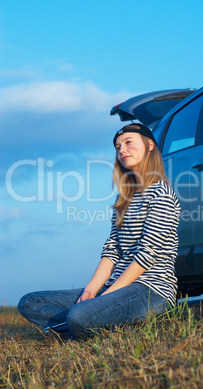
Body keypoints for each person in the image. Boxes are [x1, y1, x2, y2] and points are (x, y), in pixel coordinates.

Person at [18, 123, 181, 340]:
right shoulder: (124, 198)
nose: (121, 150)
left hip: (151, 290)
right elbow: (112, 250)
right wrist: (91, 291)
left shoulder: (162, 194)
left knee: (78, 315)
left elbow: (146, 256)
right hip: (117, 286)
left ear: (149, 145)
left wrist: (106, 297)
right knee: (30, 303)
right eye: (117, 146)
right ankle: (90, 326)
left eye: (128, 142)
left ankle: (74, 328)